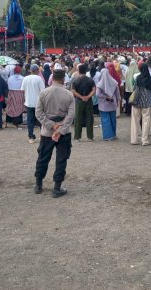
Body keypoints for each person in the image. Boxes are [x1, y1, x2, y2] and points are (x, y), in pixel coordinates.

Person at [34, 69, 75, 198]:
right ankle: (57, 187)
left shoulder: (44, 93)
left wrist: (51, 125)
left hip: (47, 131)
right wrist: (60, 129)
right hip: (63, 131)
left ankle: (38, 184)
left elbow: (38, 113)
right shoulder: (68, 94)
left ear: (52, 79)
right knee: (61, 159)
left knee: (43, 157)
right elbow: (71, 115)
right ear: (63, 79)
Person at [130, 63, 151, 146]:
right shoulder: (150, 79)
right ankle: (144, 140)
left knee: (135, 122)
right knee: (146, 122)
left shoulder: (138, 78)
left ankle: (134, 139)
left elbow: (134, 88)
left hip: (136, 102)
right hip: (146, 103)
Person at [71, 63, 96, 142]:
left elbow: (73, 91)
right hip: (88, 101)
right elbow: (94, 90)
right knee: (89, 118)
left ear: (78, 71)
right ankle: (90, 137)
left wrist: (81, 97)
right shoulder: (90, 80)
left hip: (79, 101)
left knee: (78, 119)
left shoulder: (75, 80)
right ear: (86, 71)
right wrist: (88, 96)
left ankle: (77, 137)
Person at [96, 64, 120, 141]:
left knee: (105, 120)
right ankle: (113, 134)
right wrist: (117, 100)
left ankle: (108, 136)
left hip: (103, 105)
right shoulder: (114, 82)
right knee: (113, 120)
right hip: (112, 104)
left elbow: (97, 94)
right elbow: (117, 94)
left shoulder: (99, 84)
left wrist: (105, 96)